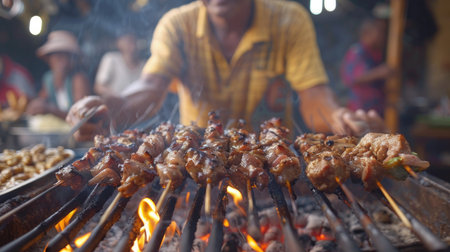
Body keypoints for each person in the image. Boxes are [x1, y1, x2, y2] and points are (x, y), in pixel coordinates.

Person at [67, 0, 385, 141]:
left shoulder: (290, 19)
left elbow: (316, 99)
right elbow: (149, 89)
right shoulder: (177, 25)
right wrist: (110, 108)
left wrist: (340, 119)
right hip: (196, 171)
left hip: (270, 170)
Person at [26, 30, 90, 119]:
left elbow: (80, 116)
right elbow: (40, 100)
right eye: (55, 55)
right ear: (49, 59)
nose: (59, 59)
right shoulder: (48, 79)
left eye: (64, 55)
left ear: (72, 59)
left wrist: (51, 110)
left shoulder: (78, 79)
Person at [341, 17, 395, 116]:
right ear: (367, 33)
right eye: (380, 32)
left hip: (376, 110)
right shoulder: (357, 52)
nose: (383, 36)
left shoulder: (375, 53)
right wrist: (379, 73)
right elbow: (351, 78)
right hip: (360, 110)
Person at [94, 32, 145, 96]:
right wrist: (118, 98)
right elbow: (99, 87)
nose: (132, 43)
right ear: (119, 43)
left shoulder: (145, 65)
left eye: (134, 40)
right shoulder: (111, 59)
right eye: (128, 40)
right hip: (113, 105)